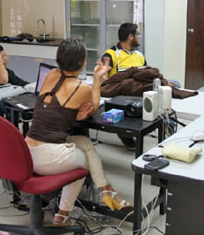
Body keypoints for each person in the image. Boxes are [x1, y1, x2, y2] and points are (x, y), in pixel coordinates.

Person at [25, 39, 131, 226]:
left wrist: (76, 110)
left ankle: (107, 190)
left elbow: (64, 108)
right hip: (46, 156)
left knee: (85, 143)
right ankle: (63, 214)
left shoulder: (51, 74)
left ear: (58, 59)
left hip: (27, 151)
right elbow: (94, 106)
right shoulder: (81, 88)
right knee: (81, 163)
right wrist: (97, 80)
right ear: (83, 62)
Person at [102, 23, 146, 149]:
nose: (140, 37)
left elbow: (146, 73)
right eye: (138, 34)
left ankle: (167, 126)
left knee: (173, 84)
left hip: (139, 88)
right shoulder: (111, 54)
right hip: (122, 93)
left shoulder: (139, 55)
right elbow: (102, 77)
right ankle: (125, 132)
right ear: (130, 36)